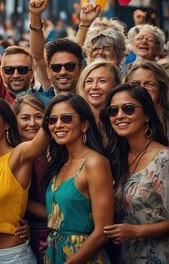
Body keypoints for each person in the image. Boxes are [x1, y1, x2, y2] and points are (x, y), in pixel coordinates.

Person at [0, 96, 50, 263]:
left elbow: (43, 137)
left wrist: (58, 103)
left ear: (6, 123)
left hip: (11, 257)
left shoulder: (18, 155)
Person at [100, 83, 169, 263]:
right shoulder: (116, 158)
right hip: (125, 257)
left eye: (128, 108)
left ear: (146, 115)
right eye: (113, 111)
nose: (119, 115)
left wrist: (137, 231)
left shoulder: (163, 159)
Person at [43, 93, 113, 263]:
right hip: (54, 253)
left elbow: (103, 230)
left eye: (66, 118)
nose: (58, 125)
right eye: (52, 120)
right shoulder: (61, 163)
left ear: (84, 125)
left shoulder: (94, 163)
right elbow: (62, 211)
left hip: (82, 256)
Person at [12, 94, 48, 262]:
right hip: (21, 235)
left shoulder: (58, 152)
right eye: (25, 118)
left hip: (56, 233)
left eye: (39, 117)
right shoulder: (10, 156)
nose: (32, 124)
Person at [125, 61, 169, 133]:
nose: (142, 88)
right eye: (135, 83)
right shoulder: (118, 116)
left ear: (161, 89)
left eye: (150, 84)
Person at [77, 59, 121, 124]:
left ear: (116, 85)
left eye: (102, 81)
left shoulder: (123, 119)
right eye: (89, 81)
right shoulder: (75, 122)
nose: (94, 87)